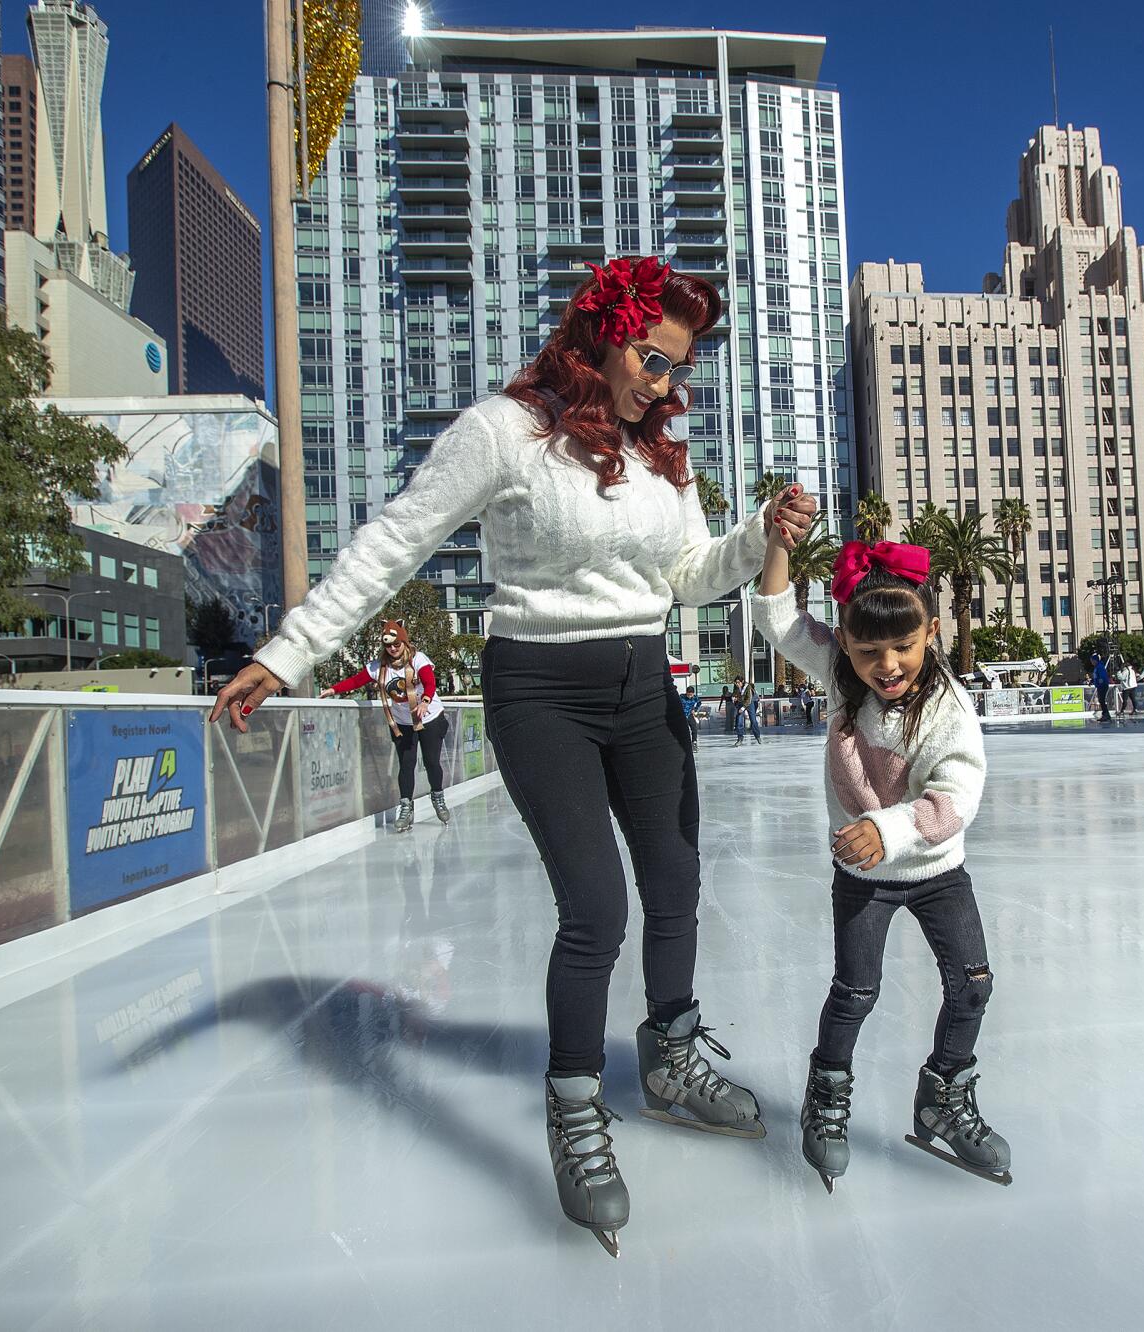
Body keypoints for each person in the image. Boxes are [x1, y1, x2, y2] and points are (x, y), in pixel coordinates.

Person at [208, 255, 818, 1257]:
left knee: (673, 880)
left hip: (640, 685)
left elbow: (688, 578)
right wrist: (286, 653)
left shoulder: (665, 456)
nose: (664, 386)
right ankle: (575, 1109)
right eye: (652, 360)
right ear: (599, 334)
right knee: (596, 907)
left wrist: (757, 537)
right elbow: (391, 542)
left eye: (677, 369)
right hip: (540, 690)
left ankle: (668, 1060)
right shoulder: (506, 430)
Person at [752, 536, 1009, 1192]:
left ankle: (942, 1098)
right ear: (846, 642)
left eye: (903, 646)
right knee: (857, 992)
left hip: (936, 872)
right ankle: (827, 1096)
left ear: (932, 630)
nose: (886, 665)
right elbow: (780, 620)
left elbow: (955, 797)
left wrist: (887, 829)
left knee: (973, 983)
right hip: (864, 878)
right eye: (868, 651)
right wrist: (779, 545)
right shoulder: (840, 672)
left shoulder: (948, 707)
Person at [320, 619, 448, 832]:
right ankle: (406, 807)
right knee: (406, 764)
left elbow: (430, 682)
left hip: (429, 717)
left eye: (397, 644)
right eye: (388, 645)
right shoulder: (378, 666)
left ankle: (438, 797)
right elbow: (356, 681)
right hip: (402, 721)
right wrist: (333, 690)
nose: (393, 649)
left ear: (404, 643)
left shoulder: (418, 659)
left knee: (431, 761)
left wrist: (425, 702)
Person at [1090, 649, 1113, 722]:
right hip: (1100, 685)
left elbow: (1102, 677)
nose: (1091, 662)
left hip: (1102, 686)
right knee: (1101, 700)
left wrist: (1100, 683)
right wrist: (1093, 681)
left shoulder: (1099, 667)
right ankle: (1106, 714)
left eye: (1092, 661)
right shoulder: (1097, 667)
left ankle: (1106, 715)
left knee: (1102, 700)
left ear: (1095, 660)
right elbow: (1096, 676)